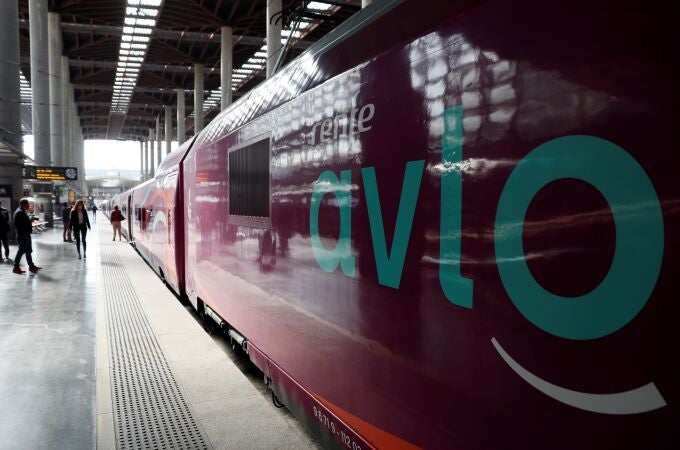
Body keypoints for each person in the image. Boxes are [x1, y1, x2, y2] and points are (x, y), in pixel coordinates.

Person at [12, 198, 41, 274]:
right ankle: (16, 267)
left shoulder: (22, 211)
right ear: (23, 205)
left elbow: (24, 222)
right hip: (22, 235)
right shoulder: (19, 212)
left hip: (26, 234)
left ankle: (31, 266)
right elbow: (20, 225)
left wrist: (29, 220)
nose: (28, 206)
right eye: (27, 204)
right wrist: (29, 221)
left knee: (28, 251)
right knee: (21, 251)